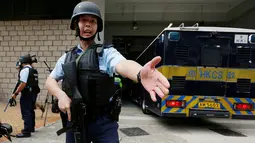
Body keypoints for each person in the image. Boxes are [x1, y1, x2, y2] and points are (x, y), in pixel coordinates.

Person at [45, 1, 170, 143]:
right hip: (75, 121)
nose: (88, 25)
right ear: (75, 25)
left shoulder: (106, 53)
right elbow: (50, 81)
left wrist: (140, 73)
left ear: (98, 27)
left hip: (103, 123)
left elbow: (122, 64)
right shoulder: (67, 57)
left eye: (92, 21)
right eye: (83, 20)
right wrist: (61, 95)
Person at [12, 54, 41, 138]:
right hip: (33, 93)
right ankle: (31, 128)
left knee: (26, 112)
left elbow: (23, 83)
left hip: (27, 93)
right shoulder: (33, 70)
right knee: (31, 110)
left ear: (23, 62)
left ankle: (26, 131)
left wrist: (16, 93)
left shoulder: (25, 70)